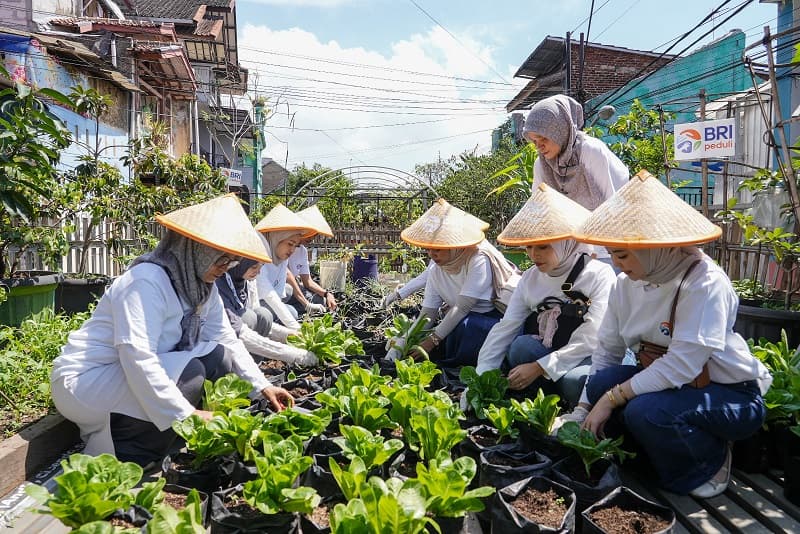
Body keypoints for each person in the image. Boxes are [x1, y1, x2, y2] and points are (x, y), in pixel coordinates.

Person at [564, 170, 772, 498]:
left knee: (645, 412)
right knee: (600, 383)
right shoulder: (625, 284)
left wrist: (610, 400)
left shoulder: (704, 283)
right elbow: (608, 350)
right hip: (673, 385)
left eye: (622, 253)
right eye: (612, 253)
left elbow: (681, 366)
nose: (617, 265)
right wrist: (583, 408)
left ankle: (707, 460)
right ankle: (651, 452)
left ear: (657, 247)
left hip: (730, 394)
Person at [50, 194, 294, 466]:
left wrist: (262, 386)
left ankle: (163, 432)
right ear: (195, 250)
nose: (225, 269)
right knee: (192, 375)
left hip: (127, 372)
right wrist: (186, 415)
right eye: (221, 260)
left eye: (232, 263)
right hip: (87, 381)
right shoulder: (145, 282)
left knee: (219, 356)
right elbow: (137, 356)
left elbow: (226, 337)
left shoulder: (202, 287)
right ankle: (130, 449)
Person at [475, 184, 616, 407]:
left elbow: (592, 337)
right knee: (521, 348)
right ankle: (550, 391)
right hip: (554, 349)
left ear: (566, 242)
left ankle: (556, 390)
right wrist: (481, 376)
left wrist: (540, 367)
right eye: (528, 247)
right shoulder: (530, 278)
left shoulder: (598, 274)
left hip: (593, 354)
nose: (533, 255)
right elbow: (506, 326)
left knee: (574, 382)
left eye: (542, 247)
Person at [393, 198, 520, 368]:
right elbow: (428, 314)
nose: (432, 254)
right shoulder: (437, 267)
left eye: (437, 249)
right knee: (448, 326)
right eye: (428, 249)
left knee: (462, 327)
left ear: (453, 245)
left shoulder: (478, 259)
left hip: (496, 318)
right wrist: (404, 340)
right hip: (464, 317)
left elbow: (462, 308)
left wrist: (433, 341)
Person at [524, 94, 628, 210]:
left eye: (543, 138)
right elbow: (537, 208)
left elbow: (613, 206)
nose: (539, 147)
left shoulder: (591, 152)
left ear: (560, 130)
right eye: (534, 141)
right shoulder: (541, 164)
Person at [216, 258, 318, 366]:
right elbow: (241, 332)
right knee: (248, 317)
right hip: (221, 343)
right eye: (254, 267)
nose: (259, 272)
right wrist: (294, 355)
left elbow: (263, 322)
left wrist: (292, 335)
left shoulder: (248, 281)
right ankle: (237, 365)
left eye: (261, 267)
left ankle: (254, 364)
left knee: (264, 314)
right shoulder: (220, 284)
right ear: (239, 264)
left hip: (242, 335)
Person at [254, 204, 317, 330]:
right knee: (289, 313)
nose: (292, 250)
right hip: (252, 302)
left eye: (296, 245)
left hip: (265, 296)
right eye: (290, 244)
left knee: (287, 292)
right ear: (277, 238)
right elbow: (269, 293)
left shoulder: (279, 255)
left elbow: (278, 290)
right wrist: (295, 328)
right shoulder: (257, 252)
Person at [285, 205, 338, 316]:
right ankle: (287, 310)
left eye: (315, 234)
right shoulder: (285, 246)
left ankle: (291, 309)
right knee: (289, 291)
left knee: (320, 301)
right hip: (284, 289)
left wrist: (326, 294)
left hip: (295, 290)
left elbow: (307, 281)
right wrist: (306, 303)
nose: (312, 237)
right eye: (310, 233)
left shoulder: (302, 251)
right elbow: (287, 276)